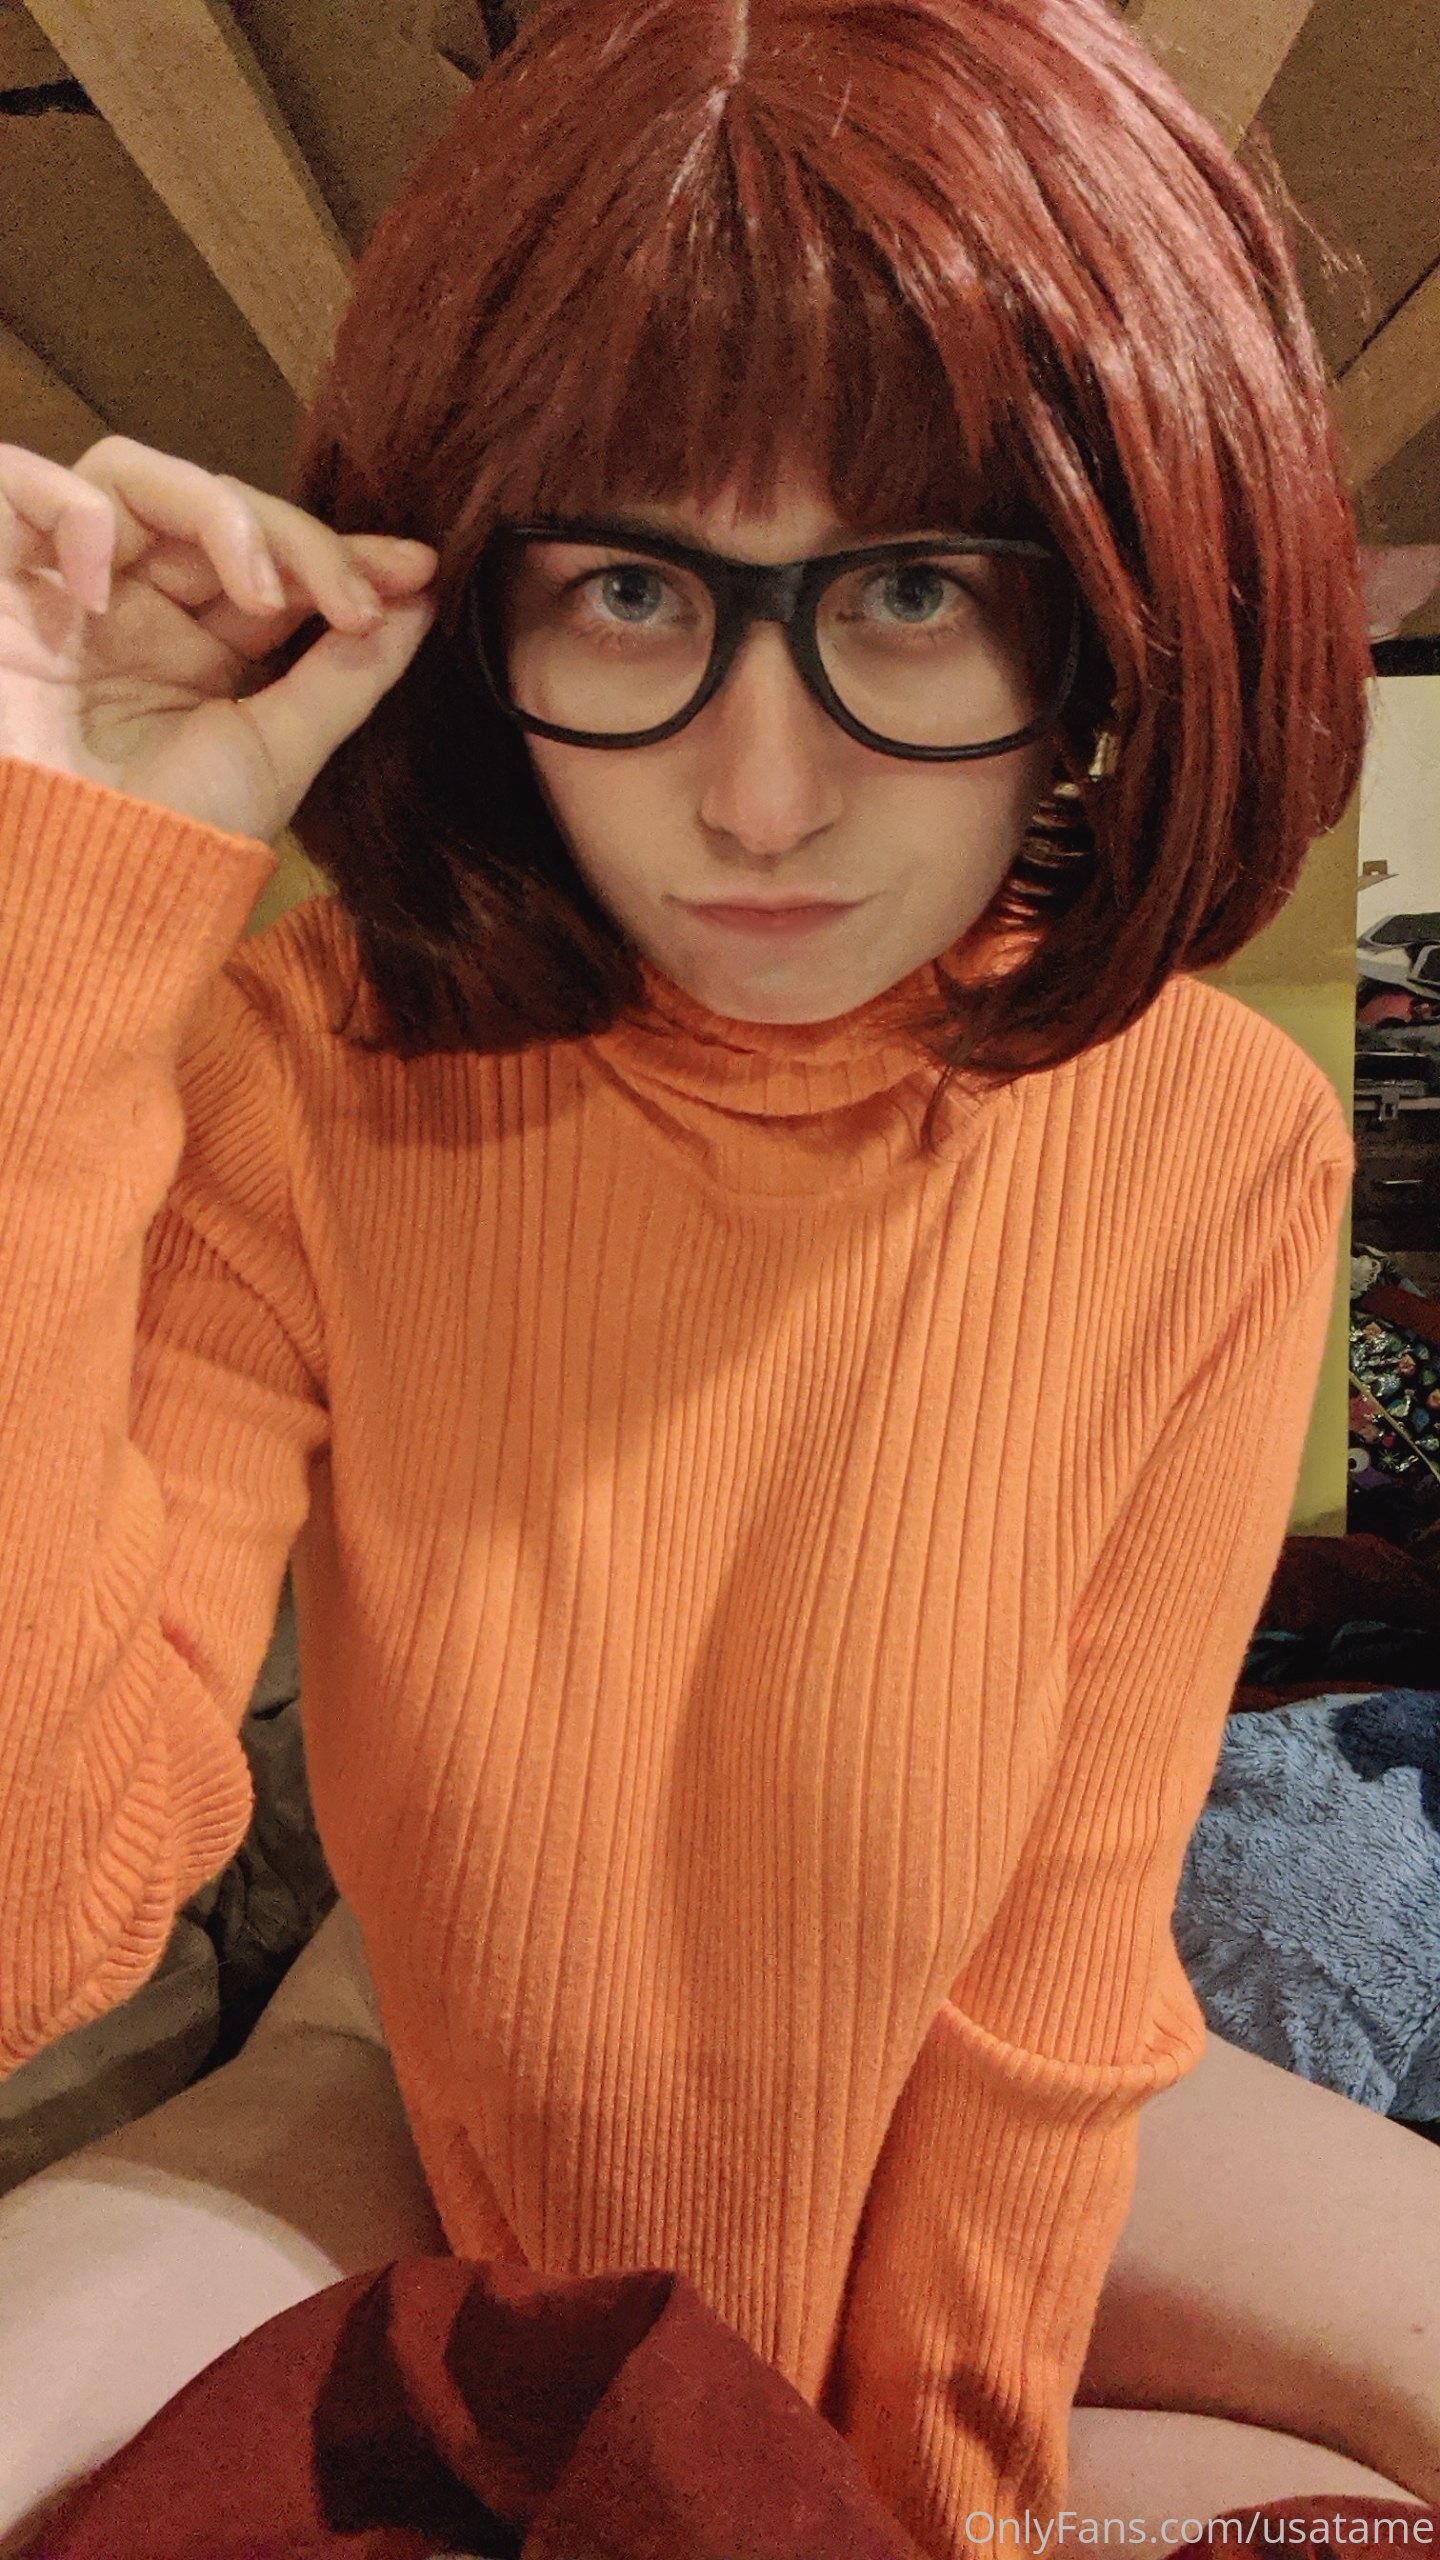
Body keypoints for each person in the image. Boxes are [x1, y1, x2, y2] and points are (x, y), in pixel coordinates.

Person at [0, 0, 1421, 2548]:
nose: (759, 794)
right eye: (634, 588)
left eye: (917, 587)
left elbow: (1053, 1975)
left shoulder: (1216, 1143)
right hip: (416, 2061)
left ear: (1108, 617)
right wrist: (49, 927)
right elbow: (40, 1901)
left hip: (993, 2049)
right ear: (481, 605)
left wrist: (916, 2501)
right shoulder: (304, 1069)